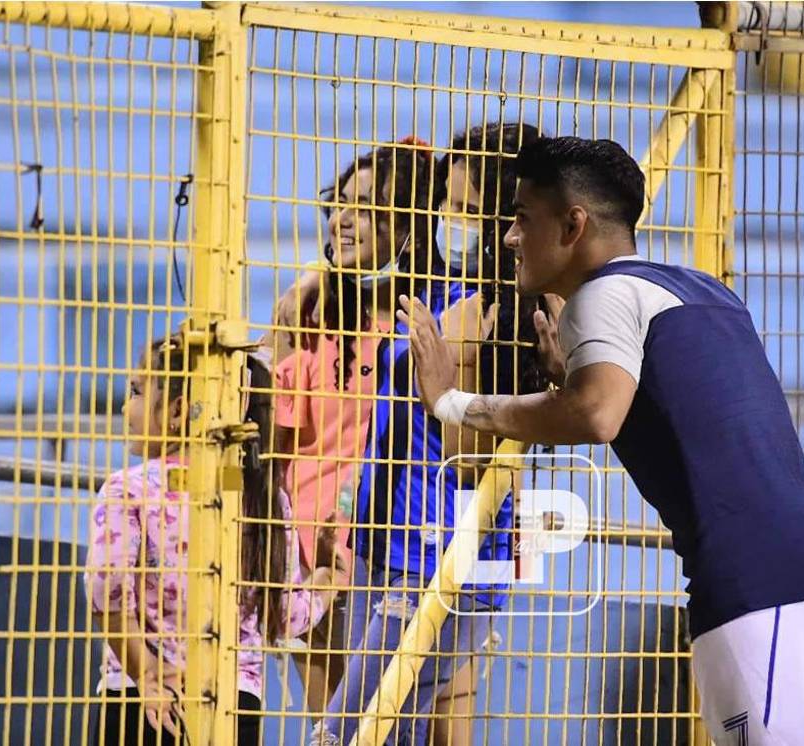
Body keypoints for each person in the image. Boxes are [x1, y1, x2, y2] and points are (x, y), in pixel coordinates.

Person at [400, 136, 804, 745]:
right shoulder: (702, 289)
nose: (509, 238)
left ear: (573, 224)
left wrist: (450, 401)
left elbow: (596, 415)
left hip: (762, 583)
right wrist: (569, 378)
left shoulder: (601, 296)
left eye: (522, 219)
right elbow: (672, 408)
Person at [313, 122, 547, 746]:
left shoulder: (501, 313)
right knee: (395, 733)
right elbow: (364, 272)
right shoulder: (436, 283)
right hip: (380, 539)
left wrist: (454, 377)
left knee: (345, 733)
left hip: (441, 555)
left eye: (467, 208)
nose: (448, 216)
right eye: (445, 200)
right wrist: (320, 277)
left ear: (510, 221)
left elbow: (473, 467)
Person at [85, 337, 349, 746]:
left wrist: (149, 674)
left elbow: (107, 590)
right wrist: (328, 577)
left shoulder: (128, 489)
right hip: (234, 704)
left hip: (141, 699)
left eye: (135, 391)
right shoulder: (257, 495)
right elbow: (288, 615)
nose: (125, 408)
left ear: (177, 411)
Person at [269, 138, 435, 715]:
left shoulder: (426, 314)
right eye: (338, 202)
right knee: (331, 723)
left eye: (365, 206)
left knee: (416, 722)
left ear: (407, 222)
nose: (342, 218)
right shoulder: (308, 311)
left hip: (399, 552)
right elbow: (276, 446)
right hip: (311, 555)